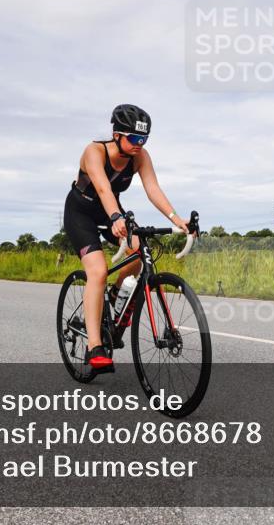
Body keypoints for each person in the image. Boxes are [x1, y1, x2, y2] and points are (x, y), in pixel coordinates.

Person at [63, 104, 193, 373]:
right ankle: (95, 347)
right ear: (117, 134)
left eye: (143, 139)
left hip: (112, 213)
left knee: (138, 248)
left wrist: (176, 219)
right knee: (97, 271)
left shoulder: (140, 156)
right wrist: (115, 217)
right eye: (134, 138)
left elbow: (152, 188)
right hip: (82, 213)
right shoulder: (94, 151)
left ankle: (114, 294)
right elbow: (101, 187)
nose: (139, 144)